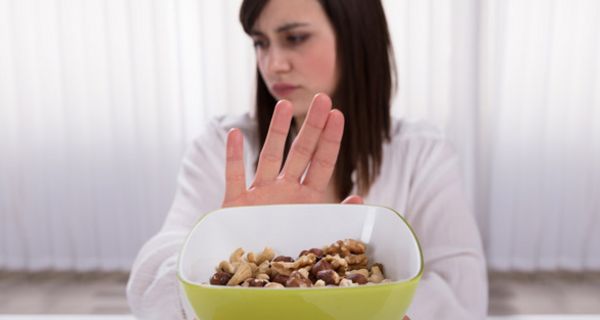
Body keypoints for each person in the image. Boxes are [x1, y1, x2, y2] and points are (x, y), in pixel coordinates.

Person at [126, 0, 488, 319]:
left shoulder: (422, 152)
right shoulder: (223, 143)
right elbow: (148, 280)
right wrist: (235, 252)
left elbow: (464, 298)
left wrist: (323, 298)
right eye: (260, 42)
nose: (273, 63)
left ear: (356, 38)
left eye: (295, 38)